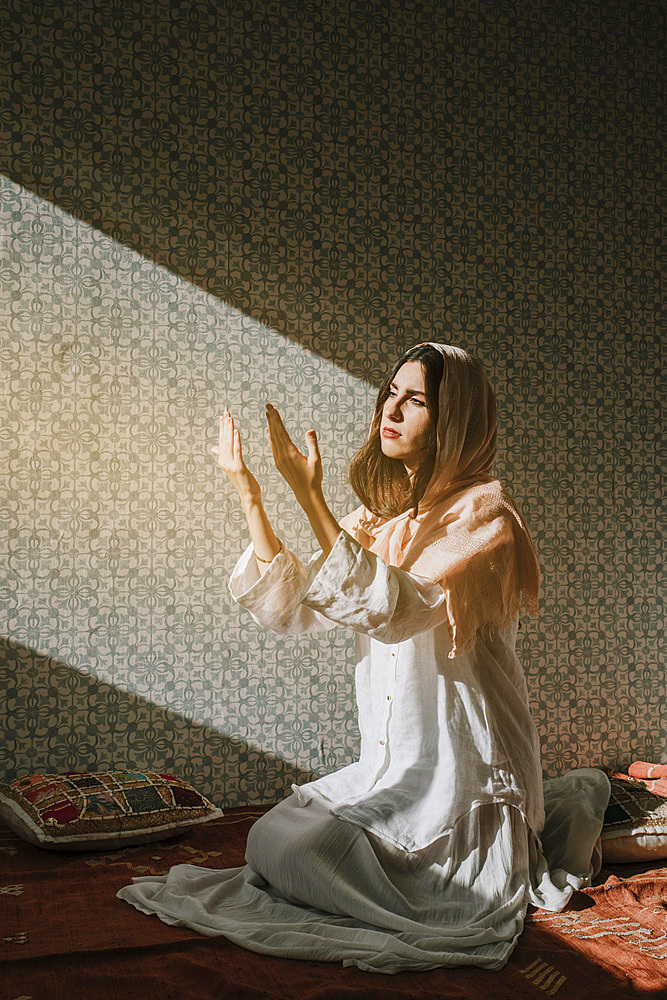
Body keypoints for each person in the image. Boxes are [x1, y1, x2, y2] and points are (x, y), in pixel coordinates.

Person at [118, 343, 610, 974]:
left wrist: (309, 495)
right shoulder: (385, 520)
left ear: (454, 419)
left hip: (465, 774)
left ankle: (479, 859)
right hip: (394, 768)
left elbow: (394, 607)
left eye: (418, 400)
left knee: (304, 852)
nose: (392, 409)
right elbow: (293, 605)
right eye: (390, 392)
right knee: (270, 838)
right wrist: (251, 496)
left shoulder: (486, 517)